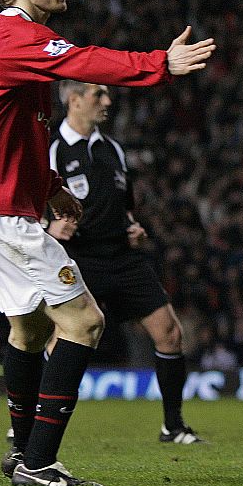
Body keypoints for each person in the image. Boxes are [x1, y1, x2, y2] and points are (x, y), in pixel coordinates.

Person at [0, 0, 214, 486]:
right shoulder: (19, 38)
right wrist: (160, 63)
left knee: (28, 326)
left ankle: (20, 451)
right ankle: (39, 463)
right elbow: (85, 60)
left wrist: (47, 184)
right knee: (84, 322)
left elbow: (2, 132)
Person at [48, 80, 204, 444]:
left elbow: (125, 204)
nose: (107, 100)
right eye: (97, 94)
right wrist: (47, 226)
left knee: (170, 333)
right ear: (74, 100)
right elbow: (26, 202)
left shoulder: (113, 149)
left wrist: (133, 226)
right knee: (60, 339)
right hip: (78, 257)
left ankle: (173, 426)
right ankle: (28, 420)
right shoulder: (52, 150)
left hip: (121, 256)